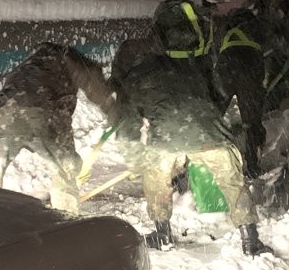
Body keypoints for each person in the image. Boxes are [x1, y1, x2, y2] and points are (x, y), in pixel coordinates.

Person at [109, 36, 272, 255]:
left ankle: (163, 234)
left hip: (168, 139)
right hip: (210, 131)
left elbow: (127, 129)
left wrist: (136, 162)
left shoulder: (131, 81)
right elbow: (217, 94)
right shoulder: (185, 67)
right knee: (232, 183)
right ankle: (250, 240)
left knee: (155, 178)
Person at [0, 42, 115, 215]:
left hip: (4, 113)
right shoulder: (66, 55)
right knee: (65, 169)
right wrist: (111, 107)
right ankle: (66, 221)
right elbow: (91, 78)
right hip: (45, 112)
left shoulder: (30, 63)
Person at [152, 0, 230, 109]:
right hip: (178, 73)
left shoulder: (203, 10)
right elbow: (162, 41)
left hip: (200, 69)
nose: (216, 6)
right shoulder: (173, 9)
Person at [216, 0, 268, 177]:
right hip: (249, 68)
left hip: (225, 67)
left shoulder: (226, 28)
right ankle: (253, 164)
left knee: (215, 113)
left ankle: (206, 153)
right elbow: (268, 48)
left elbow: (216, 50)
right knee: (251, 120)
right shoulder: (256, 25)